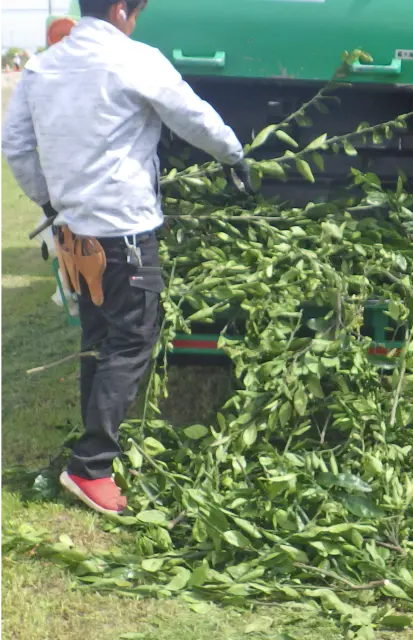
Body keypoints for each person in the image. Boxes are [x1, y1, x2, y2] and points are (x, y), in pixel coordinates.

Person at [0, 0, 252, 516]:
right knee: (132, 339)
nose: (136, 20)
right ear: (120, 10)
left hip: (77, 235)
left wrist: (51, 201)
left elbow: (15, 144)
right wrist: (233, 154)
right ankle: (91, 465)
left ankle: (90, 448)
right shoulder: (134, 58)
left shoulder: (44, 66)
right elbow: (192, 117)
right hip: (124, 233)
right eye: (135, 11)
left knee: (98, 339)